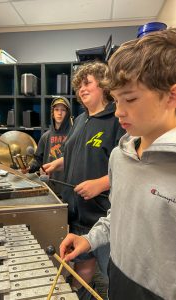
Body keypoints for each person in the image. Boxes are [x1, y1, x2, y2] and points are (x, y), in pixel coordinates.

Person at [59, 27, 176, 300]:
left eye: (131, 99)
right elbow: (120, 216)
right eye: (117, 99)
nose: (120, 111)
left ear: (172, 95)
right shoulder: (120, 155)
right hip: (119, 284)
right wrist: (90, 239)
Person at [43, 62, 125, 297]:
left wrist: (102, 183)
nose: (81, 89)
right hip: (76, 213)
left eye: (87, 83)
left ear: (104, 85)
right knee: (82, 268)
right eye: (79, 85)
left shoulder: (117, 120)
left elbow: (132, 166)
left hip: (104, 217)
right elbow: (73, 154)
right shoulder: (79, 121)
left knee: (113, 277)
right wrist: (56, 164)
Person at [27, 96, 72, 197]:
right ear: (52, 112)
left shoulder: (74, 134)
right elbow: (38, 159)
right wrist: (29, 167)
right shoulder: (45, 136)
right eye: (56, 110)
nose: (59, 113)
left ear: (68, 113)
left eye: (63, 110)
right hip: (49, 186)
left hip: (68, 186)